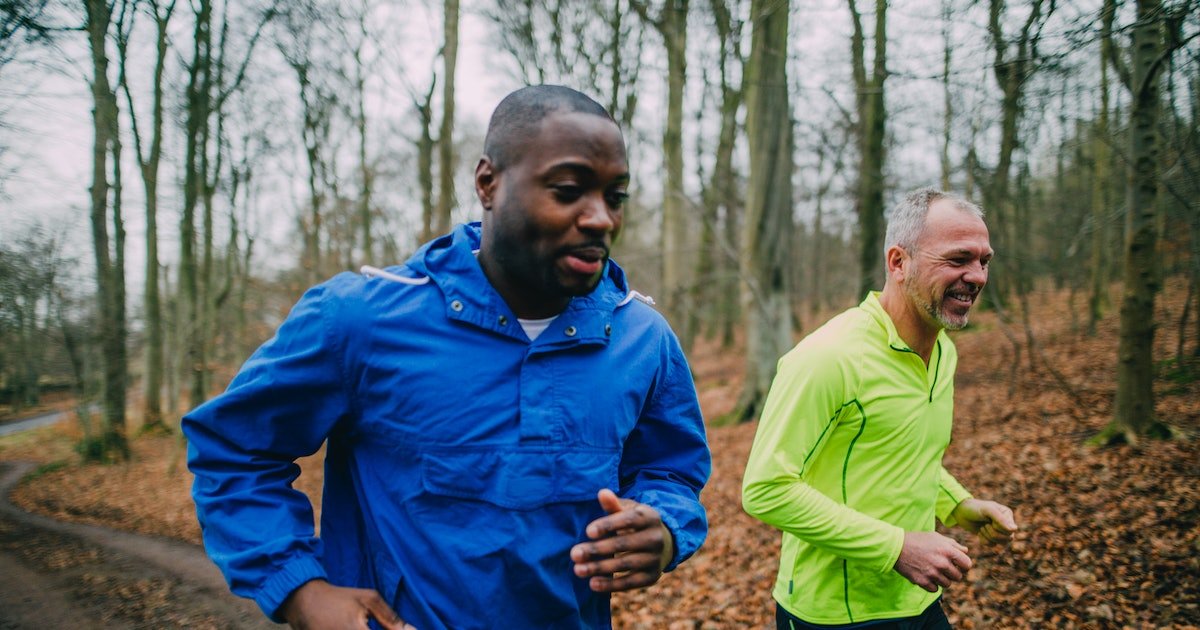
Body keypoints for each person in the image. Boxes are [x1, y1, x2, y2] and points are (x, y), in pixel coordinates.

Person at [182, 85, 711, 630]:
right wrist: (301, 590)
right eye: (568, 190)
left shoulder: (641, 338)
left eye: (615, 197)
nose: (601, 218)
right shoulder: (361, 319)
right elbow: (235, 450)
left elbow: (671, 470)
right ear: (488, 183)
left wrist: (664, 528)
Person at [741, 188, 1018, 629]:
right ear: (898, 262)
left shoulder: (943, 352)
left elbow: (901, 453)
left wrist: (958, 505)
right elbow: (765, 488)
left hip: (918, 600)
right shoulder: (828, 357)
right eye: (958, 259)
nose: (977, 276)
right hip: (833, 613)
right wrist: (898, 548)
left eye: (984, 261)